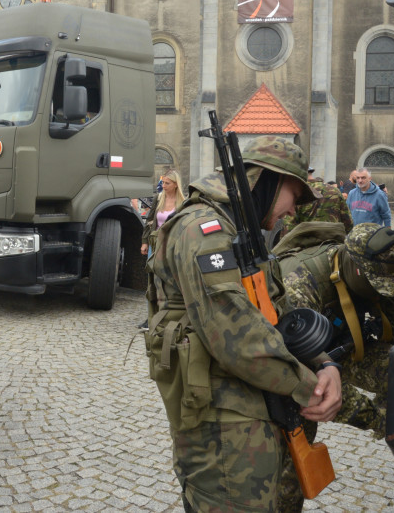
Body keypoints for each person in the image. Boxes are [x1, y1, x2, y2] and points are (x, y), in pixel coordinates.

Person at [145, 136, 341, 512]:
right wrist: (309, 387)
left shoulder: (241, 233)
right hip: (222, 426)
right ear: (265, 180)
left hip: (249, 411)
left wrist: (324, 362)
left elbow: (272, 313)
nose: (292, 211)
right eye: (294, 195)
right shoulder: (205, 230)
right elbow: (234, 334)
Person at [275, 222, 394, 510]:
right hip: (300, 370)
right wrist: (378, 420)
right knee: (291, 470)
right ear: (355, 268)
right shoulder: (300, 281)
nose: (384, 292)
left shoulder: (383, 273)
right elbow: (305, 376)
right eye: (376, 285)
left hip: (348, 351)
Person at [140, 168, 184, 257]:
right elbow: (150, 220)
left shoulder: (183, 203)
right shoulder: (158, 198)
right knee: (152, 270)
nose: (163, 186)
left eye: (167, 183)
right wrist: (145, 242)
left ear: (176, 184)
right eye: (163, 182)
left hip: (173, 245)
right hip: (155, 243)